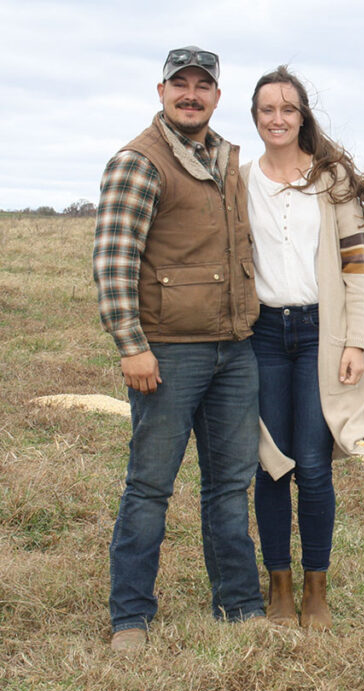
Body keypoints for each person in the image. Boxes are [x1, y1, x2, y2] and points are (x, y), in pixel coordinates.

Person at [93, 46, 265, 652]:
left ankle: (239, 604)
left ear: (218, 96)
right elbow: (113, 261)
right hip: (168, 353)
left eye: (203, 86)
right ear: (160, 91)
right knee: (149, 486)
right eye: (180, 85)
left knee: (228, 485)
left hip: (234, 351)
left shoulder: (228, 160)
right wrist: (131, 346)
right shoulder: (139, 163)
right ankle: (130, 617)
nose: (191, 95)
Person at [244, 66, 364, 629]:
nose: (277, 119)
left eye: (288, 109)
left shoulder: (331, 179)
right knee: (270, 465)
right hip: (262, 335)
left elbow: (356, 265)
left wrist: (355, 341)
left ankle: (316, 589)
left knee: (313, 466)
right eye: (266, 110)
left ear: (302, 115)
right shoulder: (240, 177)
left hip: (319, 335)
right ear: (254, 118)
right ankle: (278, 588)